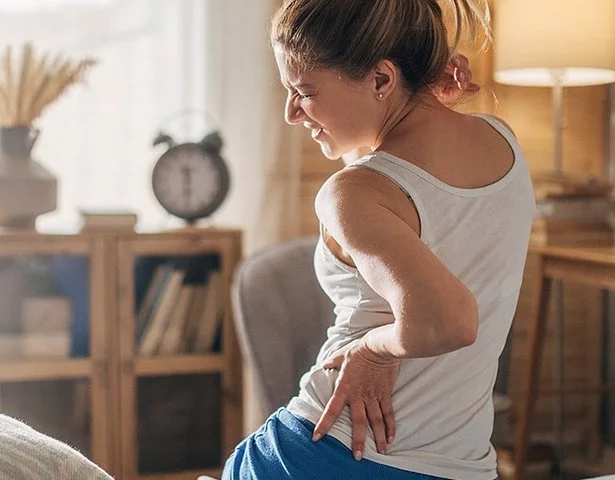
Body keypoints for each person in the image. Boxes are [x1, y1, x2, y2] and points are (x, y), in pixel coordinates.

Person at [222, 0, 535, 479]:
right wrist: (419, 92)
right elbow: (415, 187)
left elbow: (449, 319)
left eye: (303, 90)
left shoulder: (352, 192)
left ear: (382, 80)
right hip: (461, 467)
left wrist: (373, 350)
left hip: (329, 453)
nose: (291, 112)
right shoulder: (502, 143)